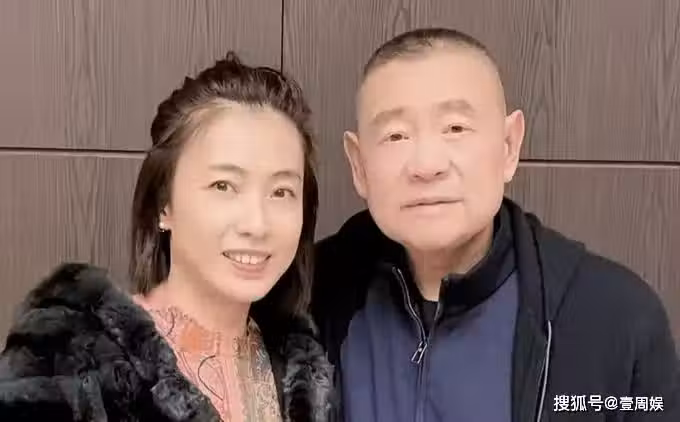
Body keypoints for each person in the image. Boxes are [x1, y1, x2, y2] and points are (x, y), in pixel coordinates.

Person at [312, 27, 679, 421]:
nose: (427, 165)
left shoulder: (615, 316)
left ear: (509, 146)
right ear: (358, 165)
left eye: (455, 128)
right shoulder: (307, 298)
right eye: (396, 135)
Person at [0, 52, 333, 421]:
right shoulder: (71, 360)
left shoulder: (303, 369)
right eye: (223, 186)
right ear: (164, 205)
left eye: (281, 192)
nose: (257, 224)